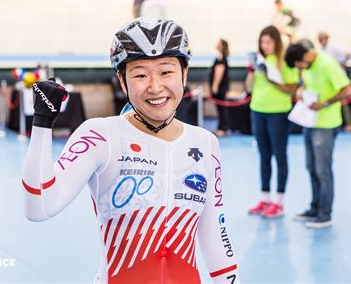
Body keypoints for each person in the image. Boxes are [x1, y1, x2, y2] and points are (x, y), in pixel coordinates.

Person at [22, 17, 240, 283]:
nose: (155, 86)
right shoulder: (101, 135)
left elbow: (217, 241)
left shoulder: (205, 143)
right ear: (122, 81)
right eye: (140, 74)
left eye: (166, 71)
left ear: (184, 74)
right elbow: (40, 206)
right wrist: (42, 123)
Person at [285, 44, 351, 228]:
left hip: (326, 125)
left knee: (323, 170)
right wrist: (301, 92)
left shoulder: (328, 64)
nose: (299, 69)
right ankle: (314, 208)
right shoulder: (308, 66)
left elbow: (348, 90)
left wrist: (324, 104)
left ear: (305, 57)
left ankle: (325, 214)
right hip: (310, 122)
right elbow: (307, 84)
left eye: (299, 65)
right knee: (311, 167)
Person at [245, 26, 299, 218]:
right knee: (264, 155)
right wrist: (251, 71)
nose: (265, 45)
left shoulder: (284, 62)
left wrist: (272, 78)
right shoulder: (260, 60)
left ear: (276, 42)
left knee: (280, 155)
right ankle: (265, 198)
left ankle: (279, 202)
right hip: (258, 110)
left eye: (268, 42)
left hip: (278, 113)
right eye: (262, 42)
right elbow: (249, 87)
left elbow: (292, 89)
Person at [318, 31, 351, 132]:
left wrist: (342, 64)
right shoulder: (320, 49)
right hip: (328, 80)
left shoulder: (333, 48)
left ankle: (349, 124)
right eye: (320, 39)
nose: (321, 40)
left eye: (323, 38)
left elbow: (348, 54)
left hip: (339, 78)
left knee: (344, 101)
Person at [209, 39, 230, 137]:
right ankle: (222, 128)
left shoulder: (221, 57)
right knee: (221, 109)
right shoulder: (222, 57)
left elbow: (219, 72)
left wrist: (215, 86)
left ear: (222, 46)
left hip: (220, 88)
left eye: (218, 43)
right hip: (222, 87)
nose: (216, 44)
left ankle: (223, 128)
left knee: (221, 108)